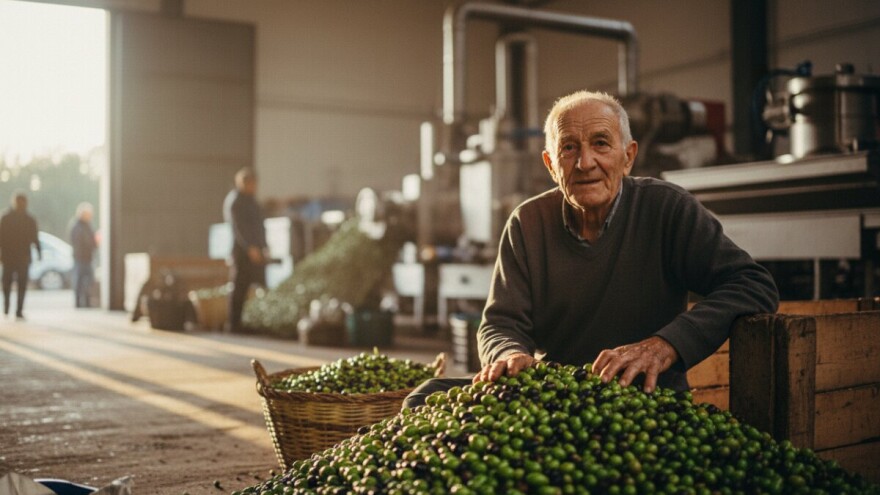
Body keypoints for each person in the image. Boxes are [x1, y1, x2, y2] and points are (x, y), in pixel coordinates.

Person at [404, 90, 779, 408]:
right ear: (551, 165)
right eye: (569, 148)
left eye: (600, 143)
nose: (585, 163)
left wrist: (665, 345)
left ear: (628, 156)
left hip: (644, 399)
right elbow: (501, 323)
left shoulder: (667, 209)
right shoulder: (527, 223)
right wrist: (509, 354)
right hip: (553, 398)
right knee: (424, 398)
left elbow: (751, 283)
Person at [224, 167, 268, 332]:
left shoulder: (252, 201)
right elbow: (239, 228)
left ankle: (253, 322)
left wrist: (264, 246)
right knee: (239, 288)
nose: (254, 186)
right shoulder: (235, 201)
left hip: (257, 251)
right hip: (243, 252)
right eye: (251, 183)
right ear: (243, 183)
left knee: (259, 286)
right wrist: (251, 248)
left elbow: (259, 226)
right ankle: (233, 324)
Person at [0, 192, 42, 320]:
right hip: (14, 257)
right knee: (12, 283)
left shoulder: (25, 219)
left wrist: (39, 252)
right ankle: (11, 308)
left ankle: (14, 308)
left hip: (16, 257)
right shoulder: (8, 218)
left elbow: (35, 238)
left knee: (14, 283)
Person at [70, 202, 98, 308]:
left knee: (89, 281)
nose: (90, 217)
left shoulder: (89, 226)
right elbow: (77, 242)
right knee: (79, 281)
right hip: (80, 258)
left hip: (88, 257)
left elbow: (92, 240)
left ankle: (87, 302)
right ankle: (78, 302)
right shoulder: (76, 226)